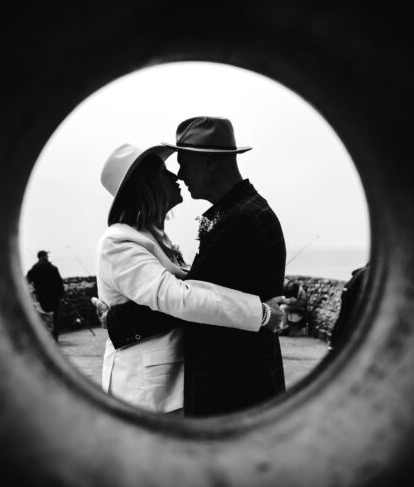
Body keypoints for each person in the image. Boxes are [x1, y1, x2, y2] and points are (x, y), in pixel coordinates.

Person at [104, 116, 288, 417]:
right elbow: (188, 294)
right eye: (169, 169)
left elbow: (190, 297)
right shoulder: (237, 212)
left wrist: (116, 320)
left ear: (210, 162)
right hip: (232, 377)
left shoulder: (238, 220)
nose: (179, 173)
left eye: (184, 162)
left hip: (234, 382)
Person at [26, 250, 66, 342]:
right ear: (42, 257)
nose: (47, 257)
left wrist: (34, 290)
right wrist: (61, 294)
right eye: (46, 256)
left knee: (44, 318)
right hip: (54, 297)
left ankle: (46, 337)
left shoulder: (34, 269)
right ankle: (55, 336)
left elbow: (27, 280)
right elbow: (59, 282)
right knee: (55, 318)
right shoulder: (52, 268)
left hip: (41, 298)